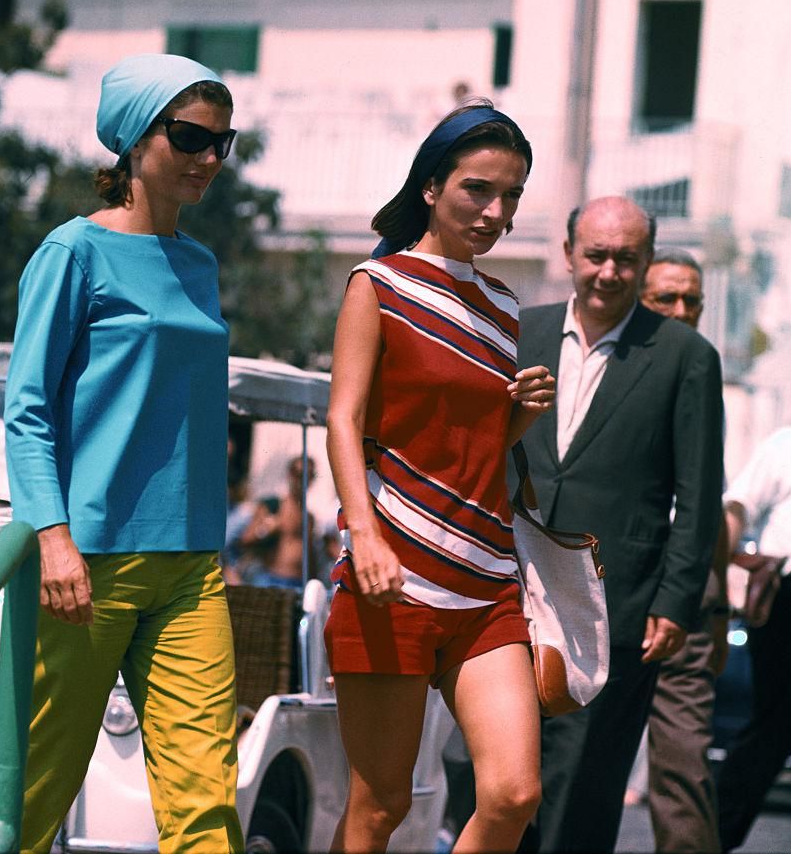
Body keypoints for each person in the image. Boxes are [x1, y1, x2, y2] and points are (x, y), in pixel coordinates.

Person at [0, 53, 244, 854]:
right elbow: (26, 409)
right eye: (189, 136)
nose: (207, 156)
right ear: (136, 139)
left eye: (221, 141)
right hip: (86, 563)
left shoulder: (200, 263)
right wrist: (52, 534)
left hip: (191, 563)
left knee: (207, 800)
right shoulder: (72, 253)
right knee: (33, 794)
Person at [324, 101, 556, 854]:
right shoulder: (378, 283)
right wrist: (363, 534)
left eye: (511, 196)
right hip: (390, 572)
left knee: (513, 792)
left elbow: (476, 445)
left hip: (486, 580)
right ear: (431, 187)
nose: (496, 212)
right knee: (379, 807)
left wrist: (517, 412)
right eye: (478, 190)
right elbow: (343, 417)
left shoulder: (501, 304)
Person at [516, 197, 725, 853]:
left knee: (581, 775)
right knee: (490, 766)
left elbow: (698, 490)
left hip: (612, 596)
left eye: (625, 259)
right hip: (509, 581)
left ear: (645, 261)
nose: (607, 271)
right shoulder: (520, 331)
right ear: (569, 255)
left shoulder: (682, 354)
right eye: (596, 255)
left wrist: (675, 600)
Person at [638, 249, 730, 852]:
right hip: (610, 586)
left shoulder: (701, 366)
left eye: (691, 300)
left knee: (684, 766)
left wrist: (717, 608)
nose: (680, 310)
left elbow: (709, 502)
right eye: (665, 298)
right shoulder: (619, 364)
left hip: (688, 600)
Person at [716, 426, 791, 852]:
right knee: (774, 723)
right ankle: (713, 836)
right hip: (785, 594)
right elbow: (739, 504)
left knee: (774, 725)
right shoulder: (784, 445)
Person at [232, 456, 323, 588]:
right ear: (289, 475)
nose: (302, 481)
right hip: (272, 580)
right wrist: (267, 529)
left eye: (308, 475)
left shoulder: (309, 517)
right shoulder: (272, 506)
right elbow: (245, 539)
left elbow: (310, 555)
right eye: (298, 474)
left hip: (299, 583)